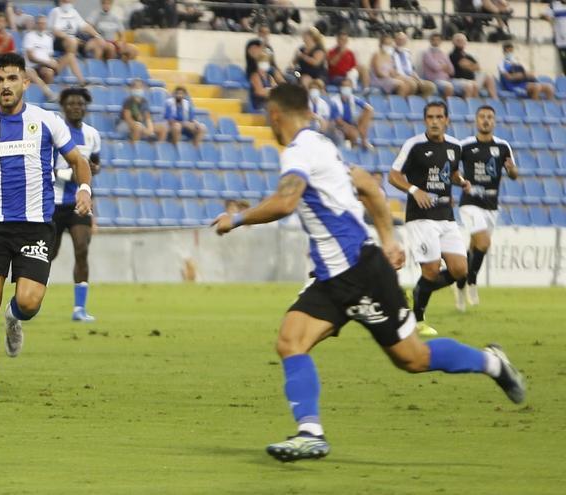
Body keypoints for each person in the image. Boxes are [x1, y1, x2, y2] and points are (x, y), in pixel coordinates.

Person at [212, 84, 525, 463]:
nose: (268, 123)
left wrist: (237, 219)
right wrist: (389, 238)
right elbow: (367, 187)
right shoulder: (323, 146)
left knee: (413, 358)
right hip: (331, 277)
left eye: (268, 117)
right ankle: (310, 432)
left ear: (276, 115)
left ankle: (492, 362)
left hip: (360, 272)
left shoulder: (299, 150)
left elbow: (286, 200)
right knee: (290, 340)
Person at [0, 53, 93, 400]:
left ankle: (14, 317)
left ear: (25, 82)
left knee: (29, 301)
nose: (5, 85)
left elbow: (77, 161)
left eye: (12, 78)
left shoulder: (47, 122)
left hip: (35, 227)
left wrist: (84, 188)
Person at [388, 101, 470, 337]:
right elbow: (393, 175)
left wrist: (461, 181)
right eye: (430, 117)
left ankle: (418, 291)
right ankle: (418, 319)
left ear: (447, 120)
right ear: (425, 120)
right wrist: (414, 190)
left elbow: (451, 172)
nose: (434, 121)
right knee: (432, 270)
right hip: (421, 218)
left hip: (446, 217)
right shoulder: (413, 145)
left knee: (459, 270)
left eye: (439, 117)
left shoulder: (455, 146)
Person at [453, 106, 518, 310]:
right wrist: (462, 181)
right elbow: (452, 173)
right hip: (470, 202)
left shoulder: (503, 146)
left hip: (491, 204)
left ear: (494, 121)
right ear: (476, 120)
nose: (486, 120)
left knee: (475, 247)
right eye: (482, 117)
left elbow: (514, 174)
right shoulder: (464, 146)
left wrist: (511, 170)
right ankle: (471, 281)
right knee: (483, 242)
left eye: (489, 117)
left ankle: (460, 284)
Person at [49, 87, 102, 322]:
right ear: (63, 107)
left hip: (79, 204)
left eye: (80, 103)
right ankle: (27, 298)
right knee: (48, 253)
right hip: (53, 203)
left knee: (82, 249)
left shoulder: (92, 135)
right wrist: (73, 175)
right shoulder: (56, 134)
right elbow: (47, 170)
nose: (76, 107)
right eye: (71, 103)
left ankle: (79, 309)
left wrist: (92, 172)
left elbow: (95, 164)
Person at [23, 15, 87, 86]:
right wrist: (48, 63)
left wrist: (53, 62)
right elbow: (31, 58)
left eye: (43, 23)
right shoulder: (29, 36)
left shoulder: (48, 38)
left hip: (47, 65)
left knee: (70, 56)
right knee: (49, 72)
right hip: (36, 66)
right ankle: (49, 93)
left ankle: (82, 82)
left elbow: (49, 55)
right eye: (39, 23)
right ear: (36, 24)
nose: (41, 25)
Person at [422, 33, 479, 98]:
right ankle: (447, 106)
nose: (436, 42)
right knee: (449, 87)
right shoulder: (427, 53)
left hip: (447, 79)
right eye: (434, 40)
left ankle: (469, 106)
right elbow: (435, 67)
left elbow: (452, 71)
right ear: (430, 41)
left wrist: (442, 66)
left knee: (471, 85)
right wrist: (444, 67)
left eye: (438, 40)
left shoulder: (443, 54)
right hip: (434, 80)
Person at [329, 78, 374, 150]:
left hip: (350, 123)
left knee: (367, 113)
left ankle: (363, 140)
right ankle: (354, 148)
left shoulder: (353, 98)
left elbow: (369, 108)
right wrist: (351, 128)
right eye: (344, 86)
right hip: (337, 126)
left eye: (348, 86)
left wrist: (363, 123)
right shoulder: (334, 101)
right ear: (341, 88)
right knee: (354, 133)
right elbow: (338, 120)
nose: (346, 88)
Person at [450, 33, 498, 99]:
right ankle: (469, 106)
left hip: (472, 79)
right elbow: (463, 65)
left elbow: (478, 68)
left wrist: (469, 65)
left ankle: (495, 100)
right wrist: (471, 65)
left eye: (463, 40)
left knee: (488, 77)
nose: (461, 42)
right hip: (458, 80)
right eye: (458, 40)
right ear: (453, 42)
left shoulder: (468, 55)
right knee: (471, 85)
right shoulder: (452, 55)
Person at [392, 31, 436, 97]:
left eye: (403, 39)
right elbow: (392, 71)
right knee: (412, 84)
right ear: (395, 40)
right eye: (399, 39)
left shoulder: (407, 52)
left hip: (410, 77)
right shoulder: (390, 52)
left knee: (430, 86)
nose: (401, 41)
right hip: (398, 77)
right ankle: (406, 105)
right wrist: (406, 78)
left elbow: (412, 70)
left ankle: (420, 105)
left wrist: (419, 79)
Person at [246, 39, 275, 113]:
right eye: (262, 62)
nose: (264, 64)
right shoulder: (255, 76)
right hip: (258, 104)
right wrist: (270, 91)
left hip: (267, 103)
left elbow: (276, 89)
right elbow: (259, 91)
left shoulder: (269, 77)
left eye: (266, 62)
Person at [542, 0, 566, 75]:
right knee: (564, 64)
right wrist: (547, 18)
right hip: (561, 41)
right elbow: (545, 15)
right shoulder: (553, 5)